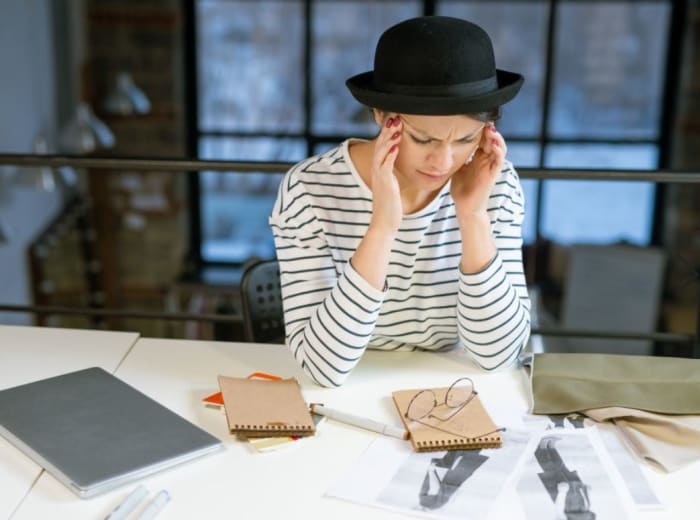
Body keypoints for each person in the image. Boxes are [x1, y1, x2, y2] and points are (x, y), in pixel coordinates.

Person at [269, 15, 531, 387]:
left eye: (464, 140)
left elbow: (499, 355)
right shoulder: (310, 189)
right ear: (380, 115)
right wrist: (382, 228)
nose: (442, 162)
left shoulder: (495, 183)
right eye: (423, 140)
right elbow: (322, 369)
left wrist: (473, 216)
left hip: (451, 386)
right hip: (349, 388)